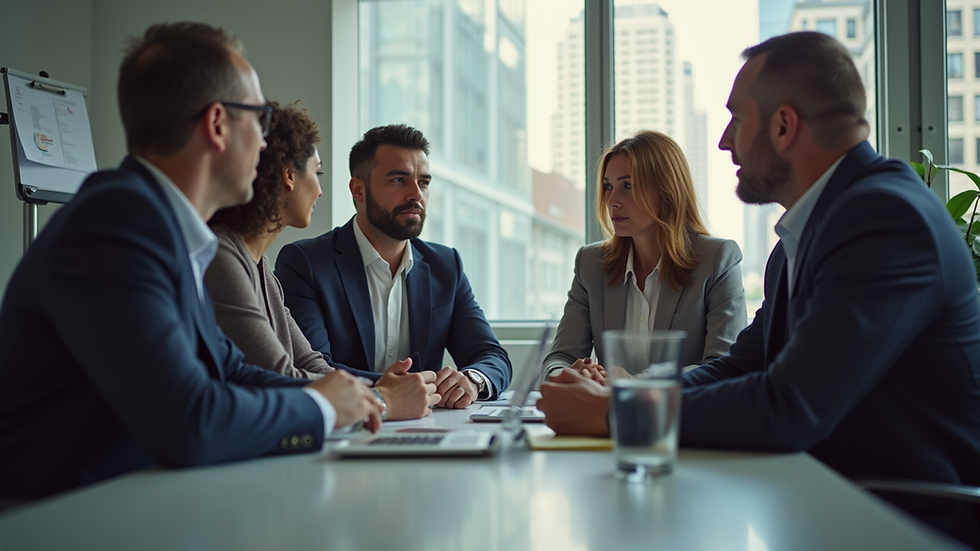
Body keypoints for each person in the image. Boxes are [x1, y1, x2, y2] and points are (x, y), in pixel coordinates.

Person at [536, 31, 980, 546]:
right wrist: (627, 390)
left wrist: (616, 413)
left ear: (784, 125)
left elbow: (790, 404)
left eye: (736, 119)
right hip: (829, 499)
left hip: (904, 520)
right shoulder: (810, 231)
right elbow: (745, 364)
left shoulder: (884, 217)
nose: (725, 141)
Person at [0, 22, 382, 501]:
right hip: (57, 518)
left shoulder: (167, 229)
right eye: (259, 119)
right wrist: (321, 408)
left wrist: (356, 396)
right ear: (218, 124)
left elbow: (230, 371)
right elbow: (188, 421)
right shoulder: (114, 225)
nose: (266, 143)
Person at [205, 102, 437, 420]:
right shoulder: (222, 257)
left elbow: (313, 367)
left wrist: (398, 386)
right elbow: (281, 377)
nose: (319, 190)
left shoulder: (260, 268)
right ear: (289, 175)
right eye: (317, 172)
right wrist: (383, 398)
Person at [276, 124, 512, 409]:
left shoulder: (446, 266)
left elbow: (492, 357)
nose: (416, 195)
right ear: (358, 190)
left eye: (423, 182)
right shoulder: (306, 263)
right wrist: (397, 393)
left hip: (425, 427)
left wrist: (472, 380)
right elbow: (313, 369)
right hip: (346, 429)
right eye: (399, 180)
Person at [543, 130, 746, 381]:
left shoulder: (717, 259)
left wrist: (636, 384)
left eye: (628, 186)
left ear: (667, 190)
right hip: (608, 417)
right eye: (608, 186)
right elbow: (560, 357)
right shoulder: (590, 263)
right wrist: (568, 375)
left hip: (684, 416)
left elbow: (723, 367)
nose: (612, 201)